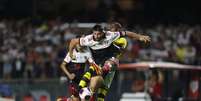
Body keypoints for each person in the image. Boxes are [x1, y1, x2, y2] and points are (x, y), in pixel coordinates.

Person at [69, 23, 151, 101]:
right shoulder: (89, 39)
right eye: (111, 29)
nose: (113, 31)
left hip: (111, 63)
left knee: (103, 89)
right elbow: (73, 42)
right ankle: (79, 93)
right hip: (98, 63)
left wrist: (140, 37)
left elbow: (125, 35)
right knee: (91, 78)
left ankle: (88, 91)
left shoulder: (117, 38)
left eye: (115, 30)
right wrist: (71, 53)